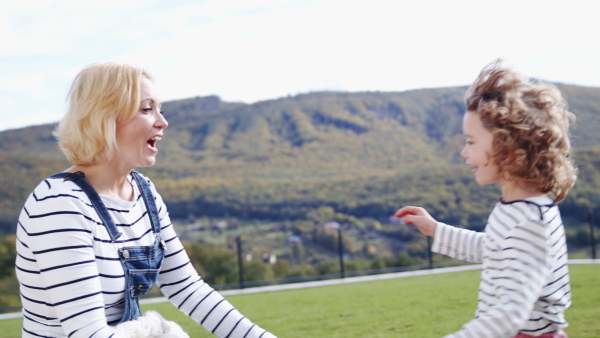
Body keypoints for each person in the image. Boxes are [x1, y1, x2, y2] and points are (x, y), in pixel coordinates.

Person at [15, 62, 276, 337]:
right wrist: (151, 328)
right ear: (104, 117)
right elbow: (88, 335)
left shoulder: (143, 190)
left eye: (159, 109)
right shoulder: (59, 204)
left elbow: (189, 289)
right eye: (147, 109)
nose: (163, 121)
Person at [395, 60, 576, 338]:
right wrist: (436, 229)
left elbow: (510, 313)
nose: (463, 153)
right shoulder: (517, 209)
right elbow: (495, 250)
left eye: (470, 142)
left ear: (505, 147)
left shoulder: (530, 221)